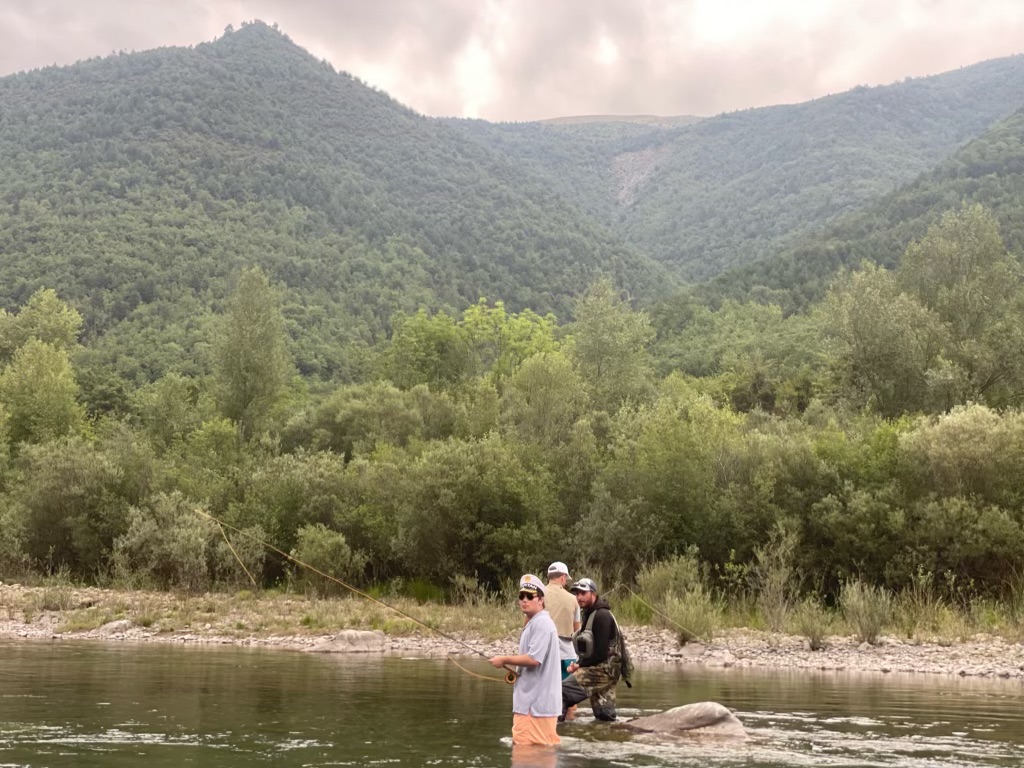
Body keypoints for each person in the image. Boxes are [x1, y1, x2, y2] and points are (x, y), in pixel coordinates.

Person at [489, 574, 562, 746]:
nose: (524, 600)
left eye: (530, 596)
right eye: (521, 596)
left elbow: (534, 659)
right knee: (542, 754)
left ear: (541, 600)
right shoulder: (535, 622)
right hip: (537, 705)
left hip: (534, 706)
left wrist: (503, 660)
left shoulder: (542, 623)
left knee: (525, 753)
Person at [561, 577, 622, 722]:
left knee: (561, 692)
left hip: (603, 670)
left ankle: (557, 731)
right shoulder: (590, 613)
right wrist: (579, 662)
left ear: (593, 593)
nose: (579, 597)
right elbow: (590, 650)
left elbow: (600, 653)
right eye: (577, 594)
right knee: (604, 716)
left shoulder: (602, 616)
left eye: (583, 593)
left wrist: (579, 665)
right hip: (604, 669)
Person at [544, 562, 581, 679]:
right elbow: (577, 630)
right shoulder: (574, 599)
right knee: (565, 691)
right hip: (567, 654)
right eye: (566, 579)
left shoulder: (537, 596)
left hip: (544, 653)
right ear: (563, 577)